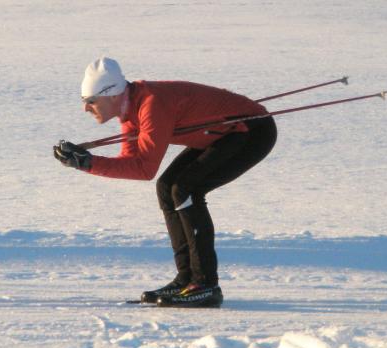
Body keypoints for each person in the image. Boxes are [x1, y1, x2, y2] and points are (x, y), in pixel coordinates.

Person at [54, 57, 277, 308]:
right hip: (225, 133)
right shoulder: (130, 109)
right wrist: (86, 163)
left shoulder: (151, 105)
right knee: (167, 188)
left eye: (90, 101)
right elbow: (132, 161)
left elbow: (144, 168)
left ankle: (205, 285)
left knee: (185, 188)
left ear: (113, 95)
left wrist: (88, 163)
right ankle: (186, 280)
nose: (86, 108)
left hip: (251, 131)